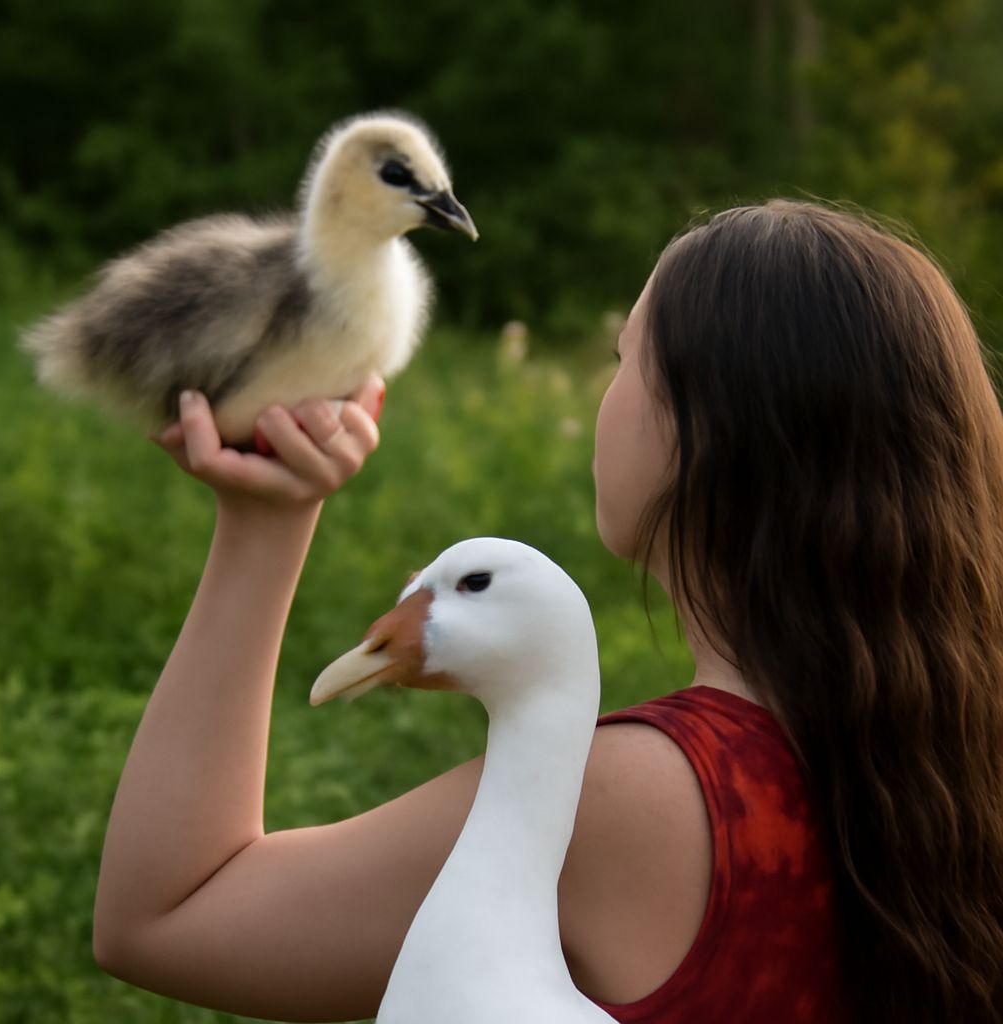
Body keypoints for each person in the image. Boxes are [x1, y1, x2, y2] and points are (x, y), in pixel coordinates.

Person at [93, 200, 1003, 1023]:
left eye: (623, 360)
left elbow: (168, 917)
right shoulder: (960, 774)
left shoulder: (632, 801)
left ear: (703, 433)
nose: (605, 394)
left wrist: (266, 523)